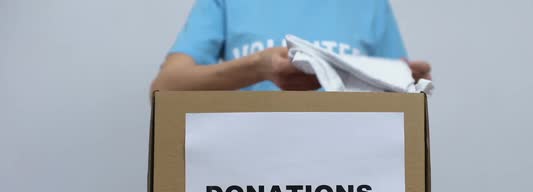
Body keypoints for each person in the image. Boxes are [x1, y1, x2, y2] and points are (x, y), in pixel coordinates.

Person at [151, 0, 431, 92]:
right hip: (241, 182)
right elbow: (165, 87)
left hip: (346, 183)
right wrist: (259, 67)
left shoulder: (368, 4)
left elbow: (400, 107)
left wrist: (405, 82)